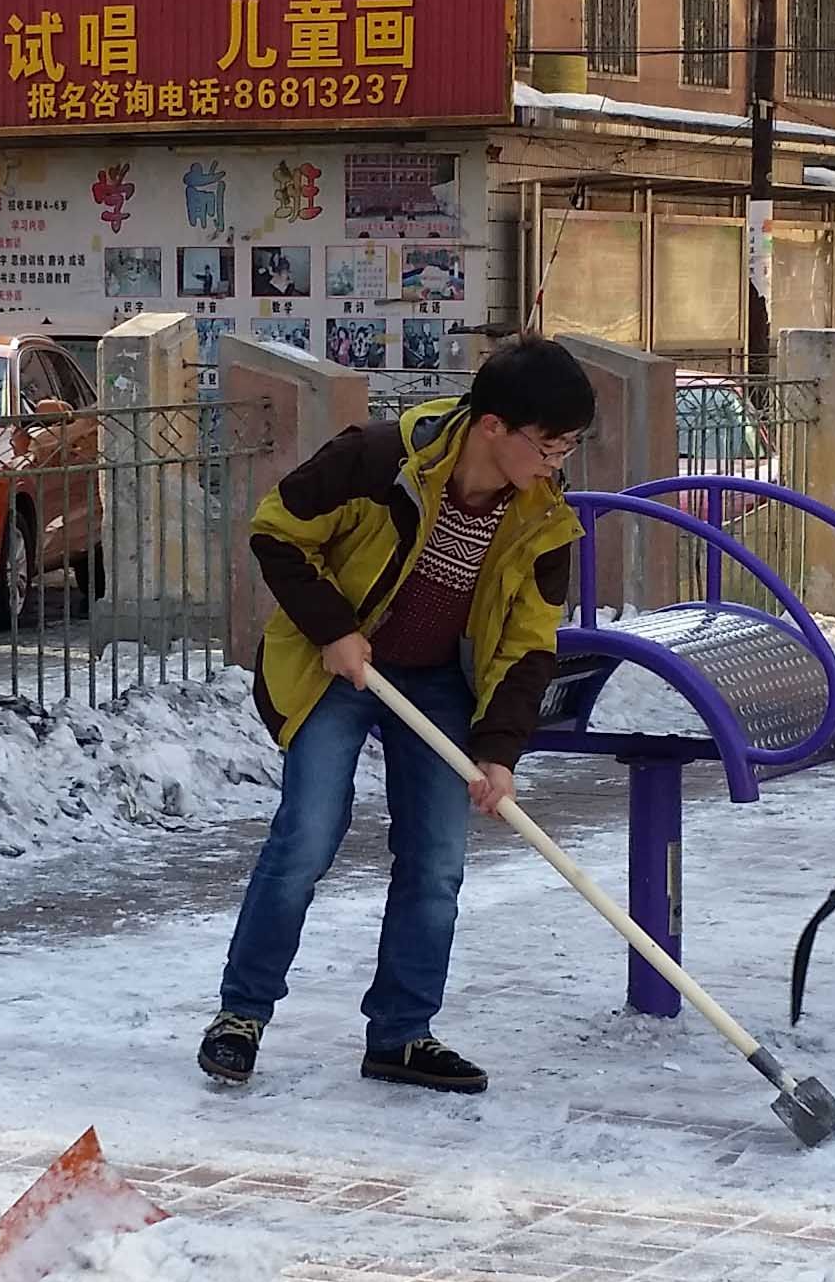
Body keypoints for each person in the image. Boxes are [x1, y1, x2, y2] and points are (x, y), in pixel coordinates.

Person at [202, 337, 596, 1097]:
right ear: (493, 426)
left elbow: (529, 643)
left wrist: (499, 751)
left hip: (442, 682)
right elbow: (275, 529)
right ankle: (240, 1015)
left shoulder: (542, 520)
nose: (557, 464)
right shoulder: (379, 460)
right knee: (306, 837)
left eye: (568, 447)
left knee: (437, 861)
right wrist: (333, 628)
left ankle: (401, 1033)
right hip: (340, 668)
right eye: (549, 446)